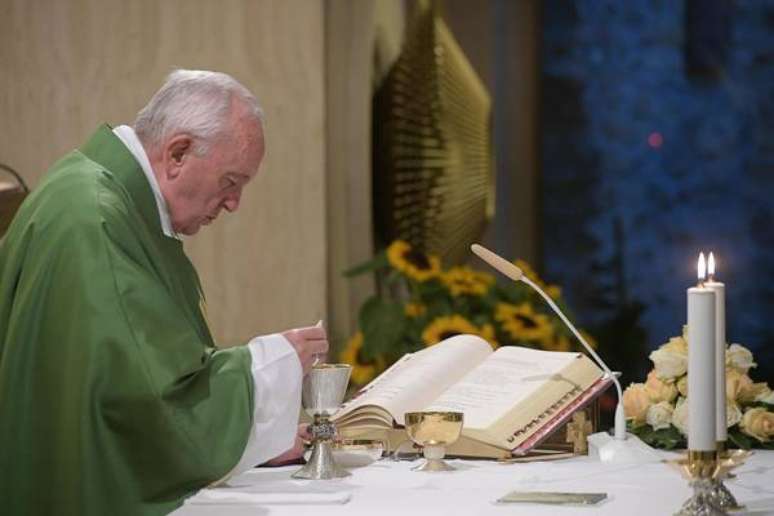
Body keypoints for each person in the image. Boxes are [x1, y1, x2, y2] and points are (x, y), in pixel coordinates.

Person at [0, 70, 327, 516]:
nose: (234, 204)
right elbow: (142, 401)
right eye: (231, 182)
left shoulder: (106, 202)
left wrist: (244, 438)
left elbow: (138, 376)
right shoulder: (92, 219)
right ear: (177, 153)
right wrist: (268, 365)